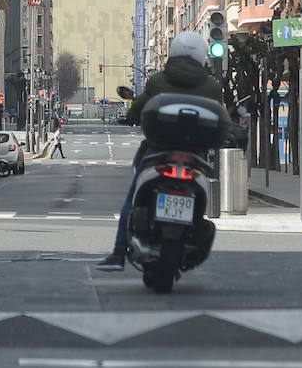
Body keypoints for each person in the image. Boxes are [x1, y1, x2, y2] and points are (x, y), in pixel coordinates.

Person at [96, 31, 224, 271]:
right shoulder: (213, 87)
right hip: (195, 155)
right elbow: (220, 116)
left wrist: (131, 117)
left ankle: (118, 254)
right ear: (201, 56)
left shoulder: (156, 81)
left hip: (158, 150)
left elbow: (137, 110)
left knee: (132, 197)